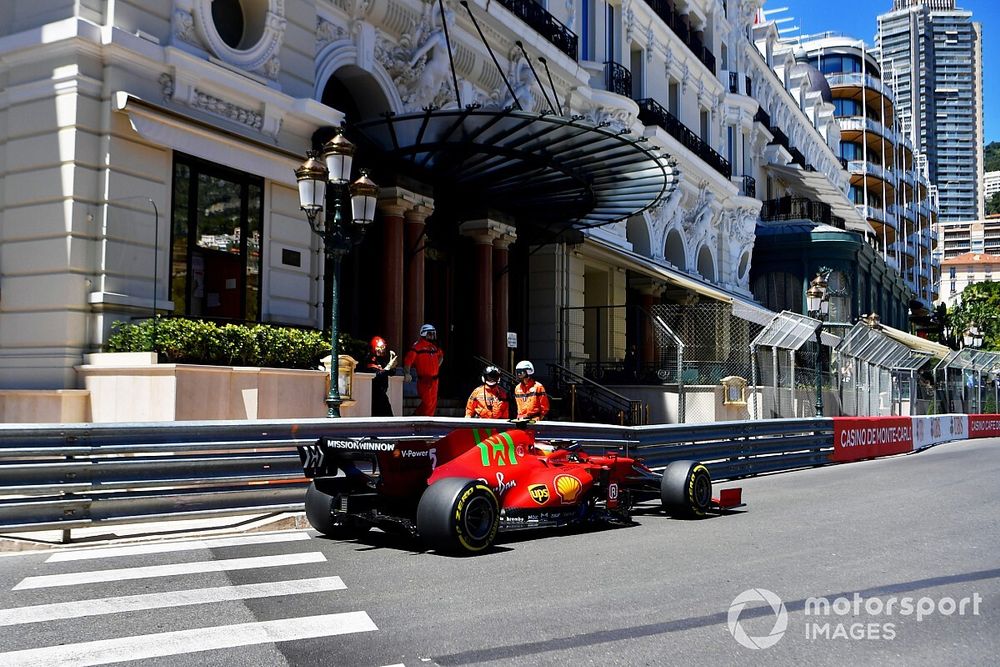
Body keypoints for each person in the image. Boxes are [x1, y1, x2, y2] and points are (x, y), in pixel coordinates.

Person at [404, 323, 444, 416]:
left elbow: (441, 355)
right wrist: (407, 373)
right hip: (424, 380)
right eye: (430, 334)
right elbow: (408, 362)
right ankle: (417, 416)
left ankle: (428, 421)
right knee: (428, 402)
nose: (432, 336)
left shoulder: (433, 347)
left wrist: (436, 366)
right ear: (424, 333)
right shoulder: (417, 347)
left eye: (433, 334)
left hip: (435, 380)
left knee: (433, 403)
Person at [365, 336, 397, 417]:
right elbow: (376, 376)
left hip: (382, 393)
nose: (381, 350)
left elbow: (391, 372)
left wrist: (392, 363)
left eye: (383, 347)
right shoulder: (369, 360)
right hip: (374, 395)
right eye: (379, 347)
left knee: (389, 417)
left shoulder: (382, 361)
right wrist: (388, 367)